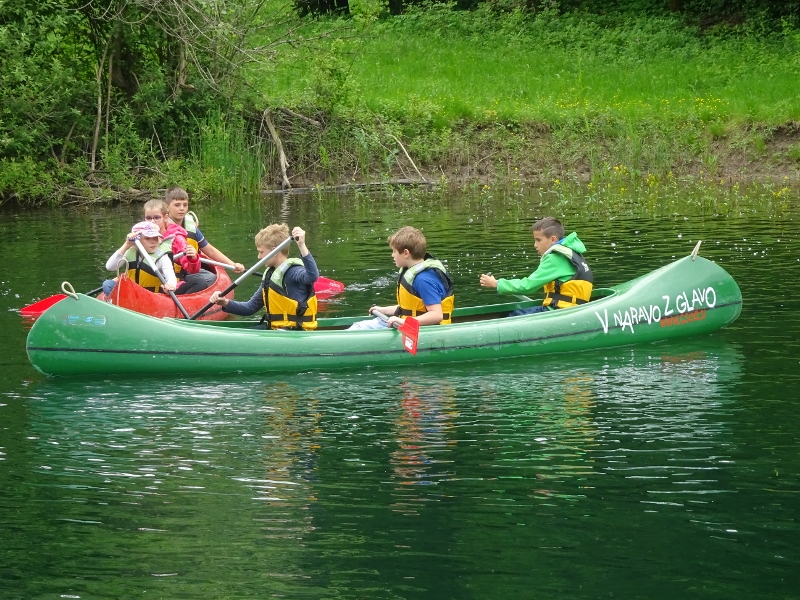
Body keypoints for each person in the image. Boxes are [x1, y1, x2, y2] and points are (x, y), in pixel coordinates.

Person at [209, 224, 319, 330]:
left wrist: (301, 245)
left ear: (274, 251)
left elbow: (313, 276)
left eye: (261, 252)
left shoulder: (293, 271)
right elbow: (250, 308)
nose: (259, 256)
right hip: (277, 329)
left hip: (295, 331)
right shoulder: (270, 275)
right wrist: (224, 302)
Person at [479, 216, 593, 316]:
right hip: (573, 310)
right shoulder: (572, 252)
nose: (535, 245)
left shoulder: (555, 258)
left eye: (538, 240)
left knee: (512, 316)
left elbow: (528, 286)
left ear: (553, 239)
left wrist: (497, 284)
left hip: (559, 312)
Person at [349, 226, 455, 330]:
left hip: (426, 331)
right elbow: (407, 309)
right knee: (358, 326)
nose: (392, 255)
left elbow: (436, 315)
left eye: (394, 251)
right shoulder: (413, 274)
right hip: (408, 325)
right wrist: (383, 310)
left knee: (358, 328)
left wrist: (404, 321)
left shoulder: (423, 280)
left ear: (405, 253)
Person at [164, 186, 245, 292]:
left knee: (211, 278)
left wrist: (232, 264)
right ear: (167, 207)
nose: (182, 208)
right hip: (168, 272)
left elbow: (209, 250)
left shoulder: (191, 227)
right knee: (203, 281)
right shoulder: (162, 226)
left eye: (185, 205)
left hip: (189, 269)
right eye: (177, 205)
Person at [143, 199, 204, 295]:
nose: (152, 222)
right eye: (148, 218)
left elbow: (192, 270)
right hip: (143, 286)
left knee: (200, 283)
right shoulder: (139, 237)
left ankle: (178, 304)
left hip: (173, 285)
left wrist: (193, 258)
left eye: (157, 218)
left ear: (165, 218)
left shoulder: (177, 239)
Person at [102, 221, 177, 296]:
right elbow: (110, 267)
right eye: (147, 238)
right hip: (132, 293)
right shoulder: (130, 251)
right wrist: (127, 244)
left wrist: (171, 286)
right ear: (137, 240)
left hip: (152, 296)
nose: (153, 241)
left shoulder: (162, 257)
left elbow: (171, 277)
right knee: (107, 285)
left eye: (155, 237)